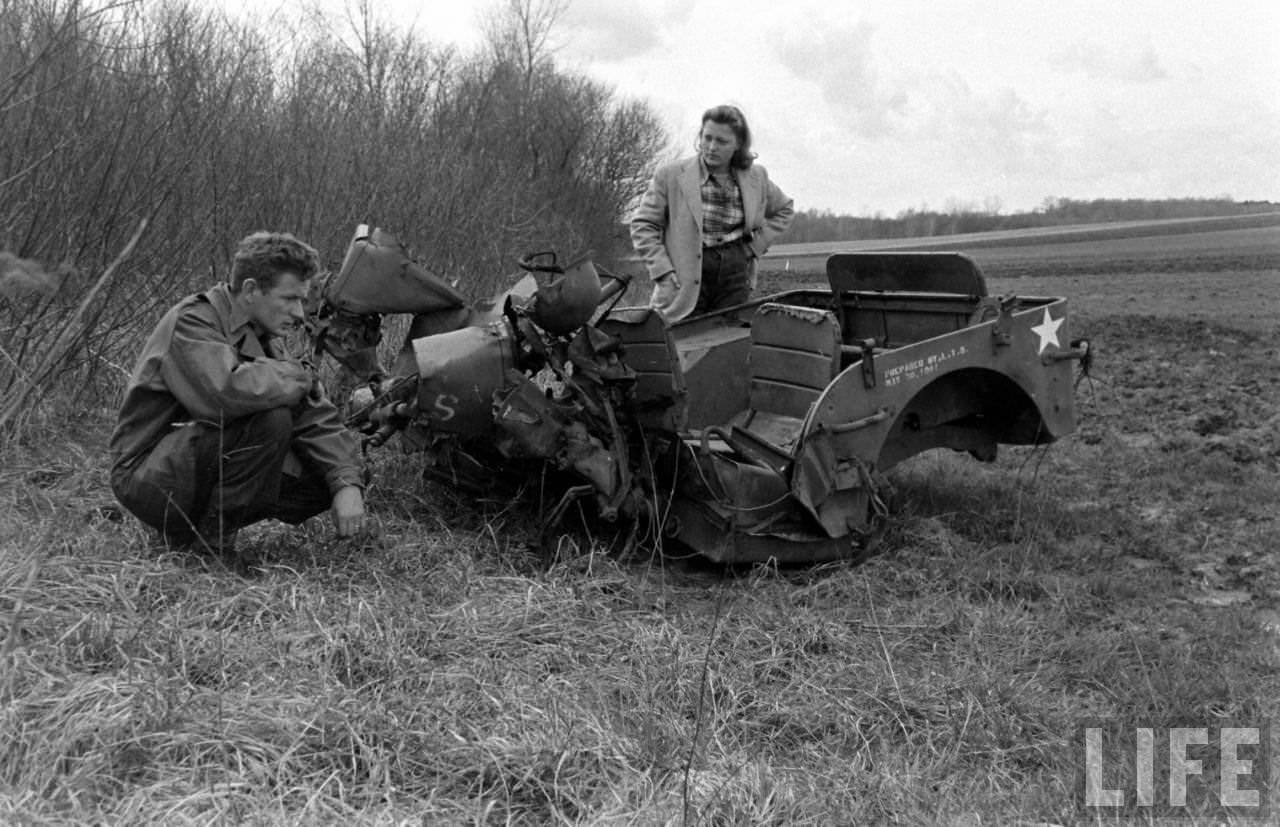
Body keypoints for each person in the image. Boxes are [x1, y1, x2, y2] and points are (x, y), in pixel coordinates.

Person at [109, 231, 366, 572]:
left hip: (190, 465)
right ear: (250, 290)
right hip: (147, 480)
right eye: (289, 299)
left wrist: (346, 482)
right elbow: (226, 393)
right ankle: (210, 547)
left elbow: (313, 415)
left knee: (330, 476)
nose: (300, 313)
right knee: (271, 419)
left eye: (302, 301)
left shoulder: (264, 334)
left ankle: (198, 529)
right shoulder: (192, 320)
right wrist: (298, 376)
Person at [630, 104, 795, 321]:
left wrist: (755, 247)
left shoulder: (756, 177)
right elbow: (643, 225)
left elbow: (784, 209)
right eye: (707, 138)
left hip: (735, 276)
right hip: (685, 277)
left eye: (721, 141)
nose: (711, 147)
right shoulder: (671, 176)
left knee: (728, 342)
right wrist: (662, 270)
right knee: (681, 343)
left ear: (738, 144)